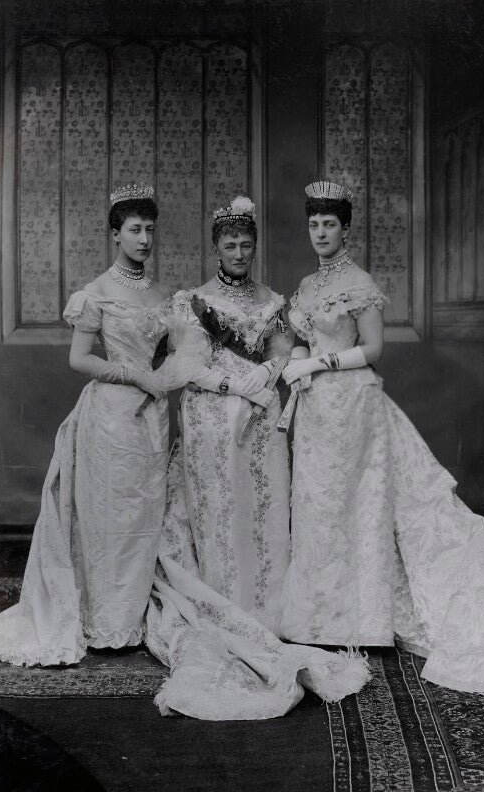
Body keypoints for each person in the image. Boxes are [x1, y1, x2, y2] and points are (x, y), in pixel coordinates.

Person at [279, 179, 484, 702]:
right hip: (314, 412)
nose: (321, 232)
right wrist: (295, 357)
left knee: (357, 506)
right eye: (314, 224)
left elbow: (374, 349)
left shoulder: (360, 283)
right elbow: (302, 336)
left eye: (330, 224)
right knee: (318, 506)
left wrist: (318, 362)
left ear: (346, 229)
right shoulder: (306, 285)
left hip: (354, 405)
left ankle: (360, 620)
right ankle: (316, 617)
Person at [142, 196, 371, 719]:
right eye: (231, 244)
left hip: (262, 415)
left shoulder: (273, 300)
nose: (240, 252)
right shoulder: (194, 301)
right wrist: (233, 384)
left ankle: (267, 611)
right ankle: (225, 605)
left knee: (262, 511)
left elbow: (286, 350)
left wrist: (268, 373)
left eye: (247, 244)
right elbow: (187, 366)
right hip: (210, 414)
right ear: (216, 248)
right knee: (221, 512)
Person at [0, 183, 172, 666]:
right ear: (115, 235)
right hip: (110, 414)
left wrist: (162, 379)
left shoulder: (165, 294)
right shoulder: (96, 293)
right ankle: (105, 619)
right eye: (134, 230)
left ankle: (135, 617)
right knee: (110, 515)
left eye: (149, 229)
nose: (144, 239)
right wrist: (135, 375)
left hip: (153, 414)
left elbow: (166, 355)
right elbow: (79, 359)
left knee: (146, 513)